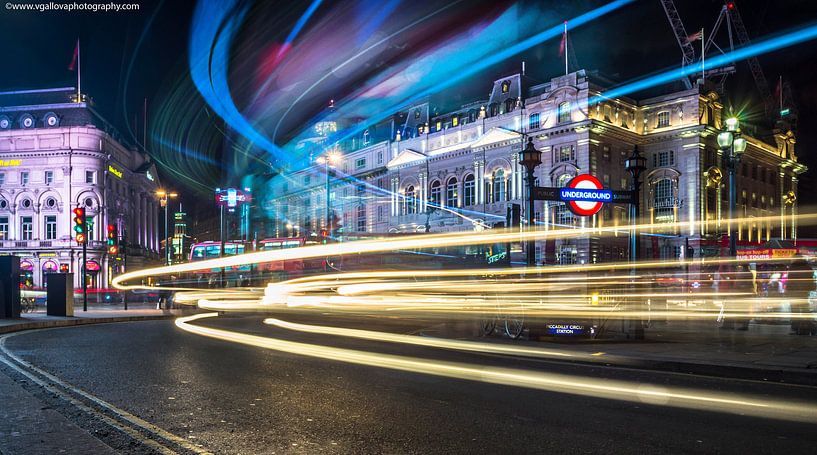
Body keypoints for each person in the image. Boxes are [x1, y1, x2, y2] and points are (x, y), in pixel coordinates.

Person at [786, 259, 816, 335]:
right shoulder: (808, 267)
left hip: (794, 293)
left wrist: (788, 291)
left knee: (795, 311)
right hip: (804, 292)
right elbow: (811, 280)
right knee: (805, 310)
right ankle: (806, 327)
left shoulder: (792, 267)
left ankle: (796, 328)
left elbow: (790, 281)